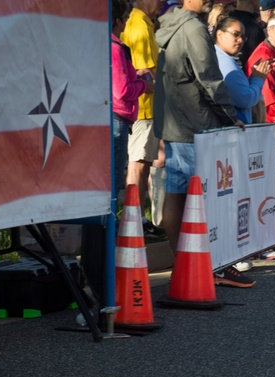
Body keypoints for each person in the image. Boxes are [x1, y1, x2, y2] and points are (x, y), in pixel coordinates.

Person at [154, 0, 251, 288]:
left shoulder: (170, 25)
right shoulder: (194, 28)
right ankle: (204, 268)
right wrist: (230, 117)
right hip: (195, 125)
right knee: (201, 199)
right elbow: (208, 79)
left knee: (176, 195)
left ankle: (185, 265)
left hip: (174, 123)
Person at [121, 0, 165, 230]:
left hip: (145, 107)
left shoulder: (143, 22)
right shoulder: (138, 24)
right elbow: (145, 72)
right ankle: (133, 220)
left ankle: (137, 217)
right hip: (143, 108)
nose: (162, 3)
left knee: (143, 164)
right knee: (138, 164)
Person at [111, 0, 154, 213]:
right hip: (118, 118)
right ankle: (112, 229)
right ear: (118, 21)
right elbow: (122, 91)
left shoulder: (108, 45)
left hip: (117, 117)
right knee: (114, 179)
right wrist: (143, 85)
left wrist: (133, 75)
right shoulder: (116, 47)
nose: (126, 25)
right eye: (125, 20)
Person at [215, 12, 270, 124]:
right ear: (219, 34)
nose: (240, 40)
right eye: (235, 34)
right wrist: (258, 79)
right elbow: (245, 99)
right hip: (233, 132)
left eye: (243, 37)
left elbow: (236, 91)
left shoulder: (221, 57)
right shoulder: (225, 62)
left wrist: (252, 77)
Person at [229, 0, 266, 65]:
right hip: (246, 72)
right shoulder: (254, 29)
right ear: (253, 1)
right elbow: (259, 60)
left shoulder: (224, 21)